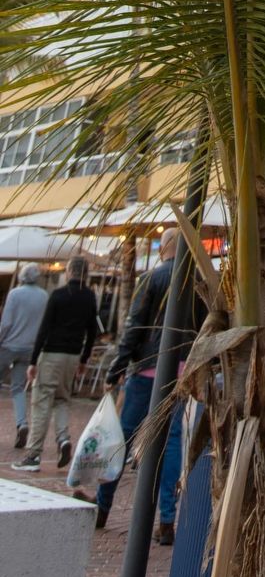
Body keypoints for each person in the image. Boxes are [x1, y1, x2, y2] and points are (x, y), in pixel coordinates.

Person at [95, 229, 207, 543]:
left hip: (148, 369)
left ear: (167, 247)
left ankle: (103, 506)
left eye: (160, 244)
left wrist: (118, 364)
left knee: (124, 436)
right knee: (170, 442)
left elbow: (136, 325)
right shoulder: (198, 280)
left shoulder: (152, 278)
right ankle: (167, 520)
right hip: (182, 370)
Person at [14, 253, 98, 472]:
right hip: (73, 356)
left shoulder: (58, 295)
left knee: (41, 402)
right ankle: (63, 439)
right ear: (85, 274)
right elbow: (92, 331)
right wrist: (84, 359)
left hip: (52, 354)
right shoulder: (89, 297)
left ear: (69, 271)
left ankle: (33, 456)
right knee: (61, 399)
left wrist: (33, 361)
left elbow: (44, 328)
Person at [0, 264, 49, 449]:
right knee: (18, 388)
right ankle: (22, 423)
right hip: (30, 348)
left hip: (8, 345)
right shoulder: (44, 296)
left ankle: (22, 425)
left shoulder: (15, 294)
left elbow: (6, 323)